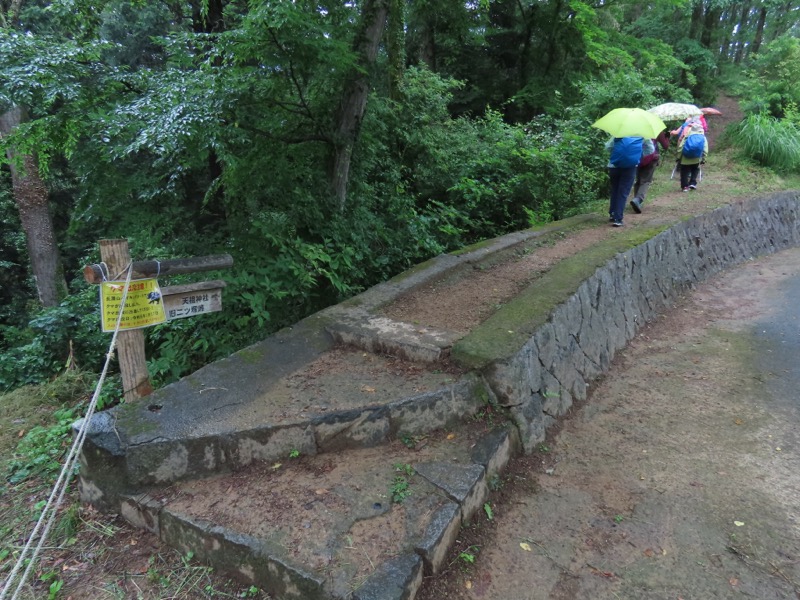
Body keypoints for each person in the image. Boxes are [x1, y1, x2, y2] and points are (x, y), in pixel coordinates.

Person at [629, 129, 670, 214]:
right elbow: (665, 146)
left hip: (638, 156)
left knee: (639, 179)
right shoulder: (657, 129)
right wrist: (666, 138)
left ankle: (636, 200)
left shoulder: (636, 128)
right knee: (646, 180)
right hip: (652, 157)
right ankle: (638, 199)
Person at [605, 136, 643, 227]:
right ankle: (618, 219)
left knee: (615, 189)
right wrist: (636, 155)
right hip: (630, 167)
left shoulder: (618, 133)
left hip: (613, 165)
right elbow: (650, 149)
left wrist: (618, 155)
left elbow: (607, 147)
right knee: (623, 192)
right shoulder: (642, 134)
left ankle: (613, 213)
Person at [677, 121, 708, 191]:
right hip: (697, 158)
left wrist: (678, 157)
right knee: (695, 169)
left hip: (685, 158)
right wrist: (703, 159)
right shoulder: (703, 137)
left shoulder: (687, 136)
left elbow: (680, 147)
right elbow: (705, 149)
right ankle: (692, 183)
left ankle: (685, 186)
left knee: (684, 171)